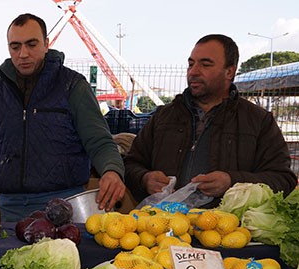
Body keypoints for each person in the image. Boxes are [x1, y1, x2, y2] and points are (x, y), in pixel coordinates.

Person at [0, 13, 126, 222]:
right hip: (8, 210)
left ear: (46, 44)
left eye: (31, 44)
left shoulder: (73, 86)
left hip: (64, 208)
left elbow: (99, 141)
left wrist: (112, 171)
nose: (23, 53)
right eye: (15, 46)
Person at [125, 34, 297, 205]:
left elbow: (282, 179)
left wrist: (232, 181)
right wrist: (144, 178)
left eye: (205, 65)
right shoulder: (163, 116)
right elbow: (130, 164)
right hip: (160, 226)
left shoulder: (258, 121)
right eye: (191, 64)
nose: (193, 72)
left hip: (227, 229)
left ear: (229, 71)